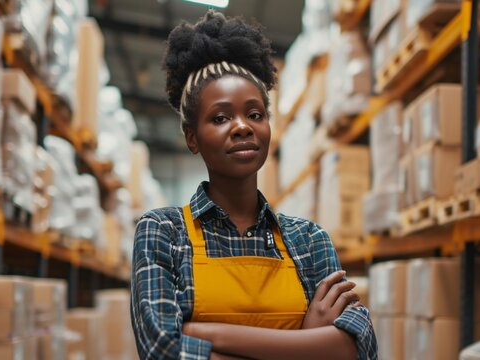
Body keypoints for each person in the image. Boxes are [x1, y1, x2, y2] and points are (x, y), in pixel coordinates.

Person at [131, 10, 377, 360]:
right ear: (192, 138)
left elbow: (359, 346)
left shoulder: (309, 239)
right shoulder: (163, 232)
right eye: (220, 118)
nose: (242, 126)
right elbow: (162, 351)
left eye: (255, 114)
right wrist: (307, 344)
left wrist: (206, 334)